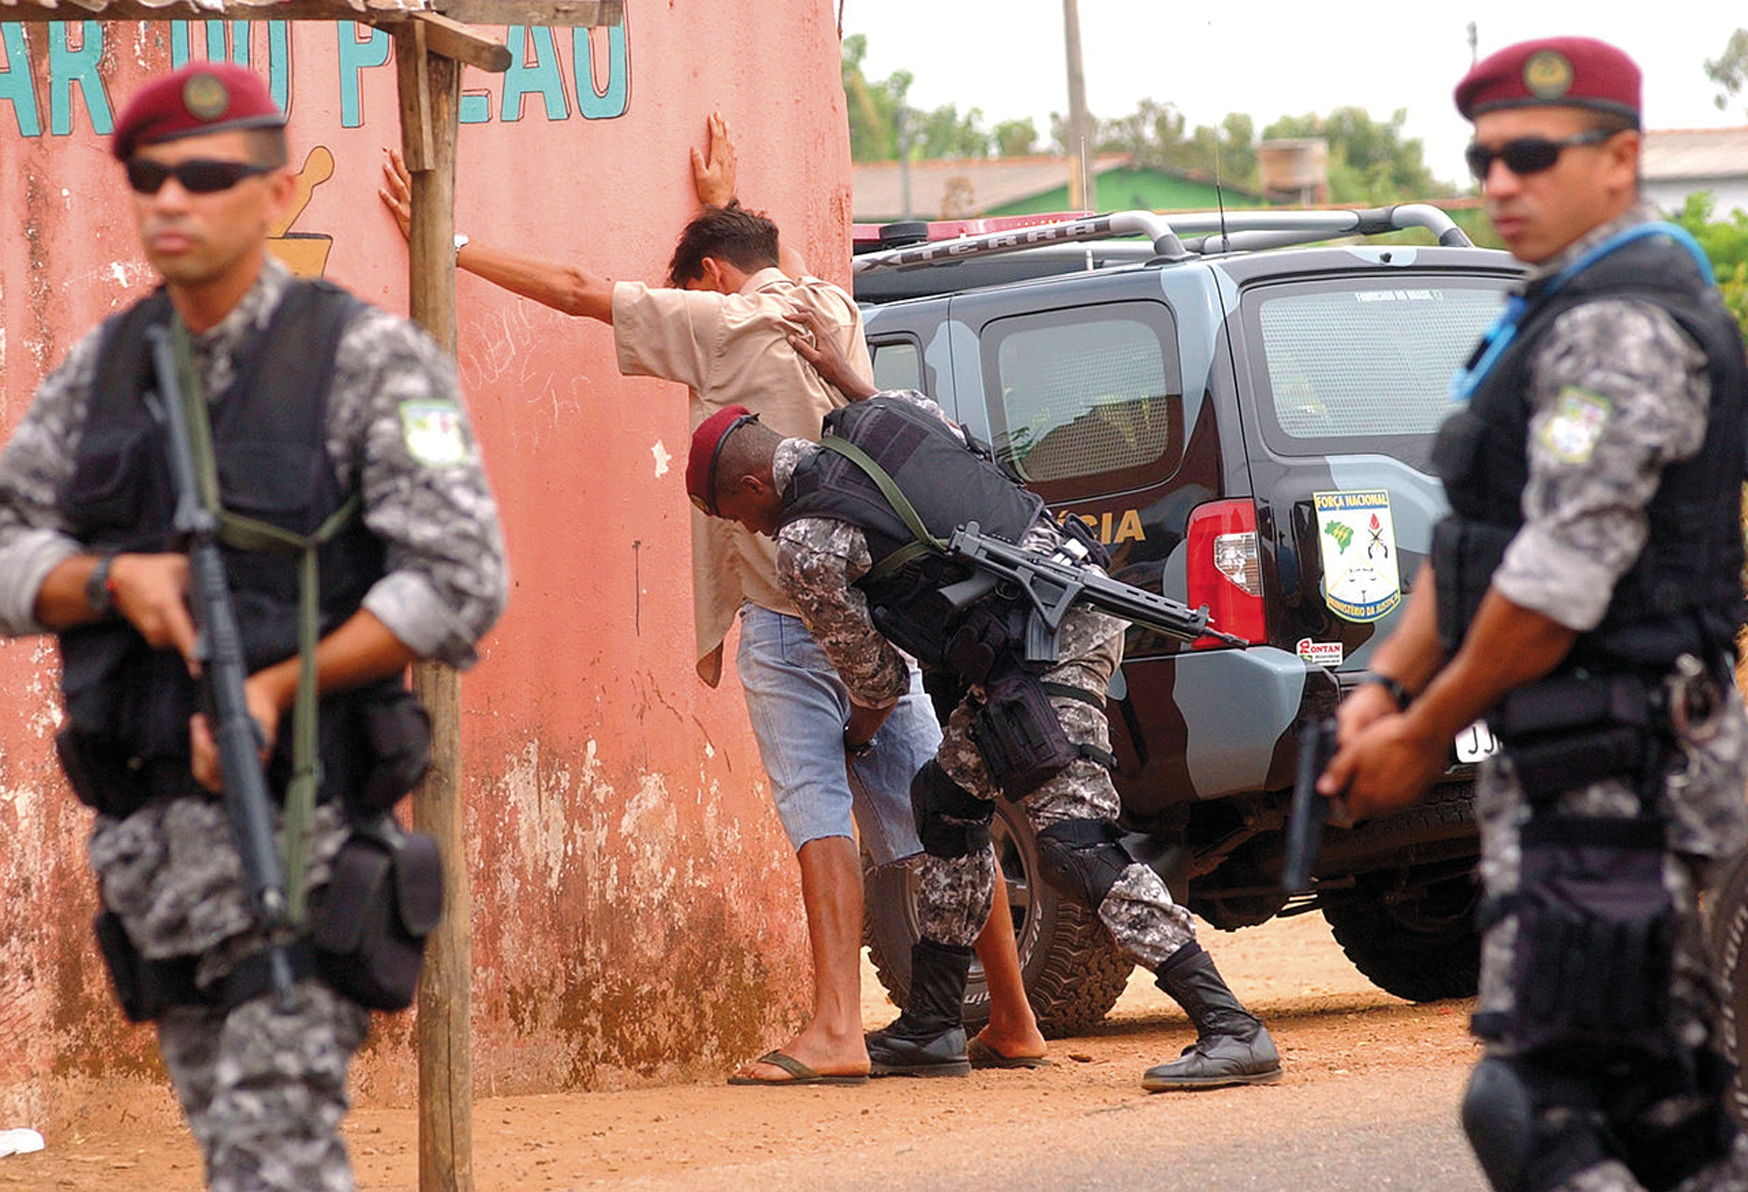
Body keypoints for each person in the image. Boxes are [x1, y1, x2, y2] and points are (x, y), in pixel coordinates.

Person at [381, 115, 1044, 1081]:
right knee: (941, 810)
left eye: (691, 276)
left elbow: (576, 292)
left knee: (818, 805)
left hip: (787, 614)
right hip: (883, 615)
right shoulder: (831, 306)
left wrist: (451, 239)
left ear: (708, 279)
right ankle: (1014, 1017)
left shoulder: (716, 321)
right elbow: (772, 260)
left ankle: (836, 1031)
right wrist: (722, 208)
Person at [0, 63, 507, 1191]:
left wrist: (286, 684)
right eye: (150, 176)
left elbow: (460, 577)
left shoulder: (371, 364)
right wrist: (106, 581)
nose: (171, 198)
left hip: (302, 841)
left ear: (277, 194)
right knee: (240, 1149)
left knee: (272, 1159)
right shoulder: (101, 372)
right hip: (154, 863)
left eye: (206, 176)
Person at [1319, 36, 1748, 1192]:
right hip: (1574, 760)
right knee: (1661, 1124)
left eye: (1528, 154)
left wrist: (1419, 731)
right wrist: (1382, 686)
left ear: (1618, 159)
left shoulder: (1621, 329)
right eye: (1483, 157)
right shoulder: (1550, 317)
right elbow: (1475, 545)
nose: (1497, 180)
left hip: (1627, 773)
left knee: (1537, 1108)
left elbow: (1554, 581)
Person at [684, 305, 1283, 1089]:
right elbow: (938, 455)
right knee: (947, 798)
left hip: (1044, 643)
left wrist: (856, 741)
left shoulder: (807, 542)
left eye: (737, 516)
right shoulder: (888, 411)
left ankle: (1229, 1024)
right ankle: (934, 1025)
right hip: (1057, 609)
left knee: (1073, 840)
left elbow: (877, 682)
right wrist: (847, 374)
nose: (749, 532)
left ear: (756, 486)